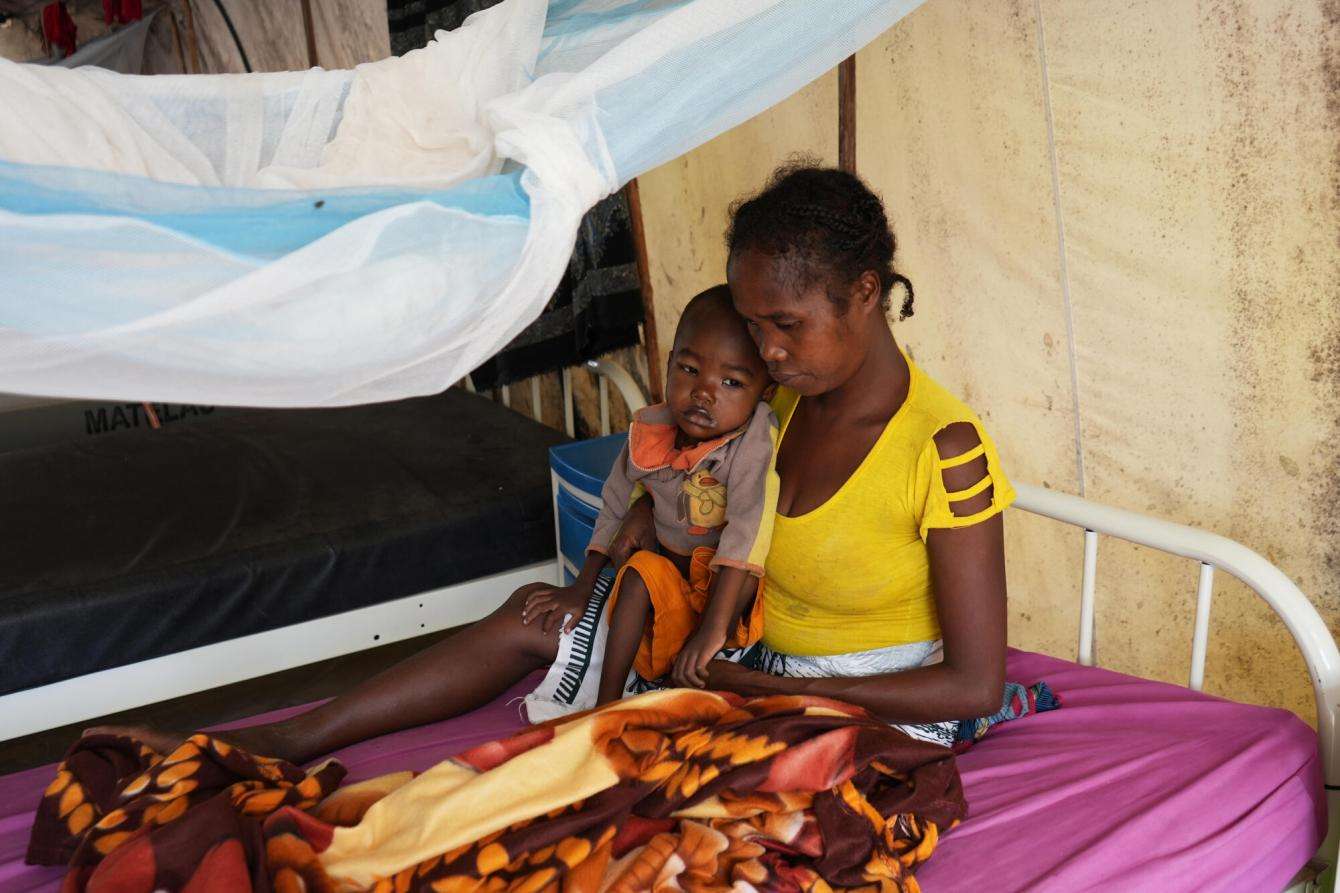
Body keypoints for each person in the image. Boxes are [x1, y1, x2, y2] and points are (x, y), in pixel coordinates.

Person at [92, 162, 1011, 761]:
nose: (764, 352)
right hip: (741, 653)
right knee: (532, 615)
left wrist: (765, 688)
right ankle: (284, 738)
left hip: (861, 701)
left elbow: (975, 683)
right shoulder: (770, 407)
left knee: (719, 778)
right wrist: (603, 588)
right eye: (754, 325)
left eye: (785, 325)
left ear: (863, 294)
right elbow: (670, 498)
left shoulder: (942, 448)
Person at [522, 285, 777, 721]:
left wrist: (712, 630)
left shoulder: (752, 438)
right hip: (667, 579)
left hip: (724, 594)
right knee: (639, 572)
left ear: (764, 392)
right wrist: (582, 587)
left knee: (711, 660)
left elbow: (746, 532)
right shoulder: (652, 430)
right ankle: (606, 706)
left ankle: (683, 674)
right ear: (669, 361)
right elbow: (616, 502)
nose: (704, 393)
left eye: (732, 382)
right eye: (690, 369)